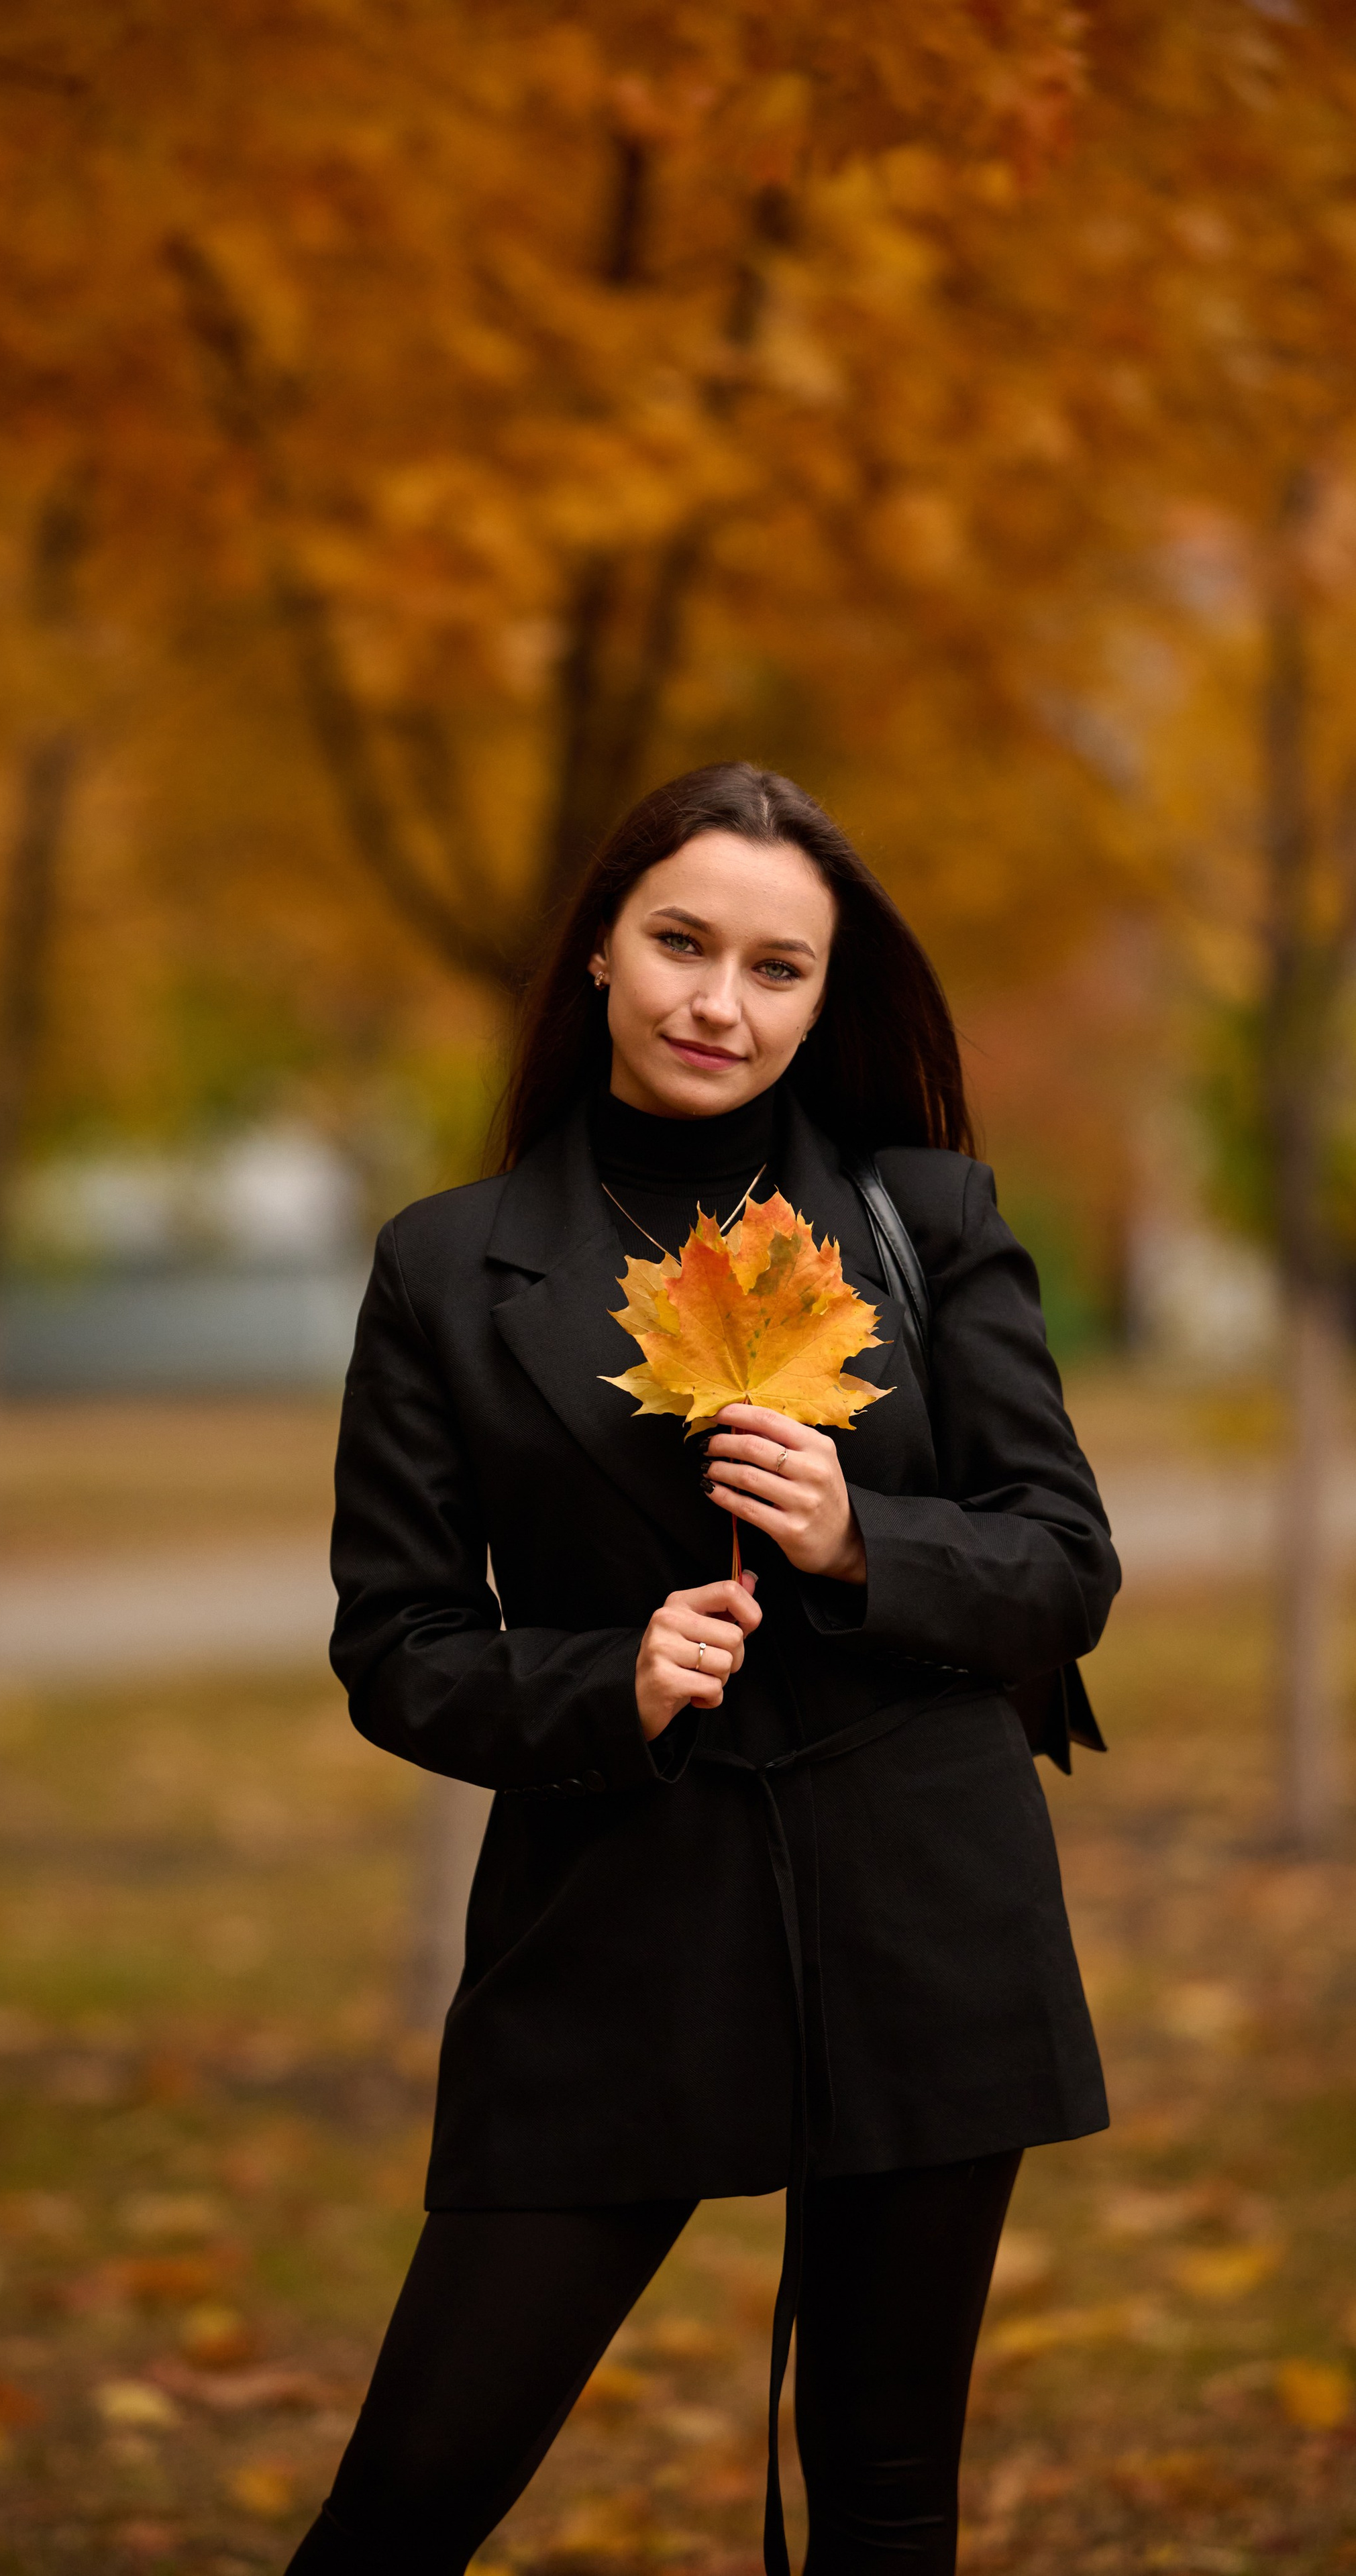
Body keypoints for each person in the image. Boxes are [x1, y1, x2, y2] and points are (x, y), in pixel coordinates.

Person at [286, 763, 1119, 2576]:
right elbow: (399, 1648)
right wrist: (617, 1679)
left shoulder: (926, 1219)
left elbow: (1066, 1570)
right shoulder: (446, 1267)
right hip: (614, 1932)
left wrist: (855, 1539)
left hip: (924, 1918)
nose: (718, 1003)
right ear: (598, 946)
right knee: (405, 2503)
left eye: (776, 966)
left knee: (887, 2504)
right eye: (679, 942)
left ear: (828, 996)